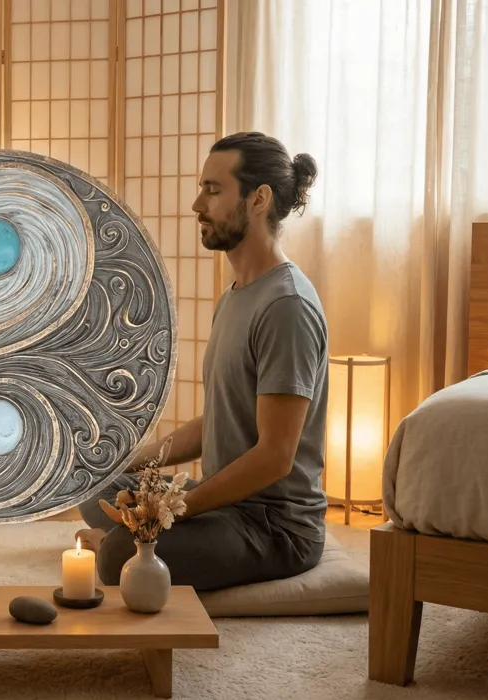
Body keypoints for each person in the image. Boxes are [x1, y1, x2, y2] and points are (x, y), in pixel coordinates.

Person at [76, 131, 330, 591]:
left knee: (118, 556)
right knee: (99, 487)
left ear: (259, 199)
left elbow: (275, 456)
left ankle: (109, 544)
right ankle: (120, 531)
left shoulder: (286, 306)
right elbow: (219, 417)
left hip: (272, 526)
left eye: (212, 190)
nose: (197, 205)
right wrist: (137, 462)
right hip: (227, 504)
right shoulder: (237, 295)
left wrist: (169, 510)